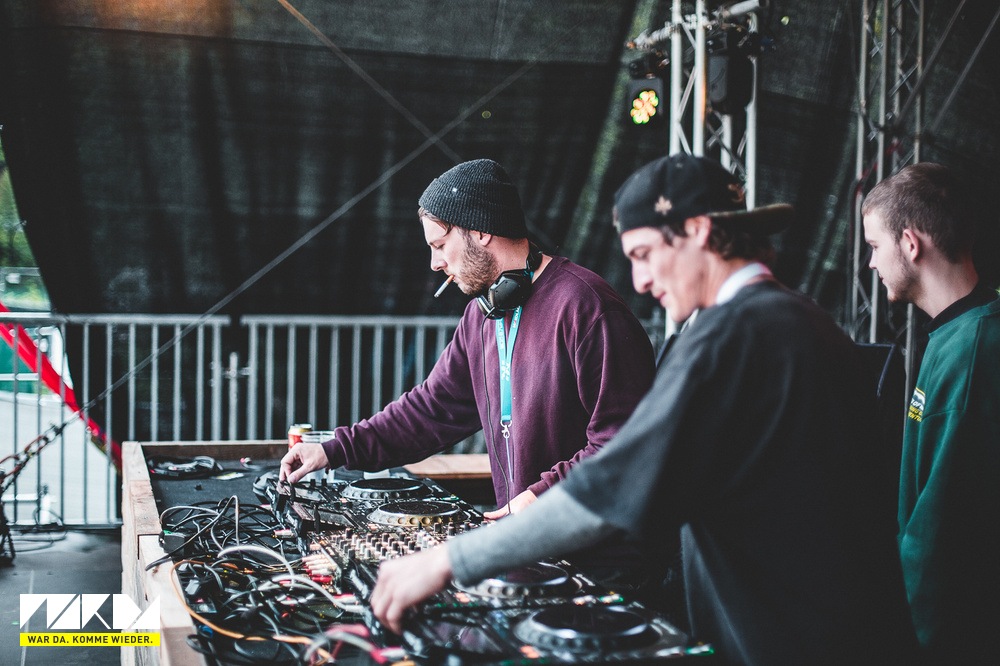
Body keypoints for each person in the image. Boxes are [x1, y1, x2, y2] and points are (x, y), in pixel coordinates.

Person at [371, 153, 919, 665]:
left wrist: (451, 560)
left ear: (697, 233)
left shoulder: (736, 337)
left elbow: (613, 482)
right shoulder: (800, 321)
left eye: (643, 255)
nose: (640, 280)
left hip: (789, 638)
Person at [280, 158, 660, 574]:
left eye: (440, 245)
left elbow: (626, 444)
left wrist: (539, 496)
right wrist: (334, 449)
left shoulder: (587, 307)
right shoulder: (483, 315)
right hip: (528, 552)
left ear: (480, 230)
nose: (435, 263)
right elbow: (431, 410)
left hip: (603, 567)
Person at [862, 162, 1000, 664]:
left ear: (910, 243)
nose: (871, 263)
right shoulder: (958, 333)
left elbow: (943, 529)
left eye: (874, 246)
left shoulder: (974, 351)